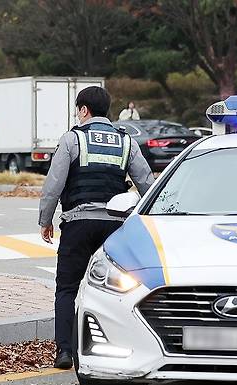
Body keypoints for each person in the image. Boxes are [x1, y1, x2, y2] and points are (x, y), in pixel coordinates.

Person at [39, 87, 154, 369]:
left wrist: (45, 220)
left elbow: (53, 185)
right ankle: (115, 346)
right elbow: (147, 184)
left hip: (78, 223)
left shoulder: (72, 139)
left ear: (83, 110)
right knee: (115, 288)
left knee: (66, 288)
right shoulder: (126, 142)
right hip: (115, 226)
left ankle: (65, 352)